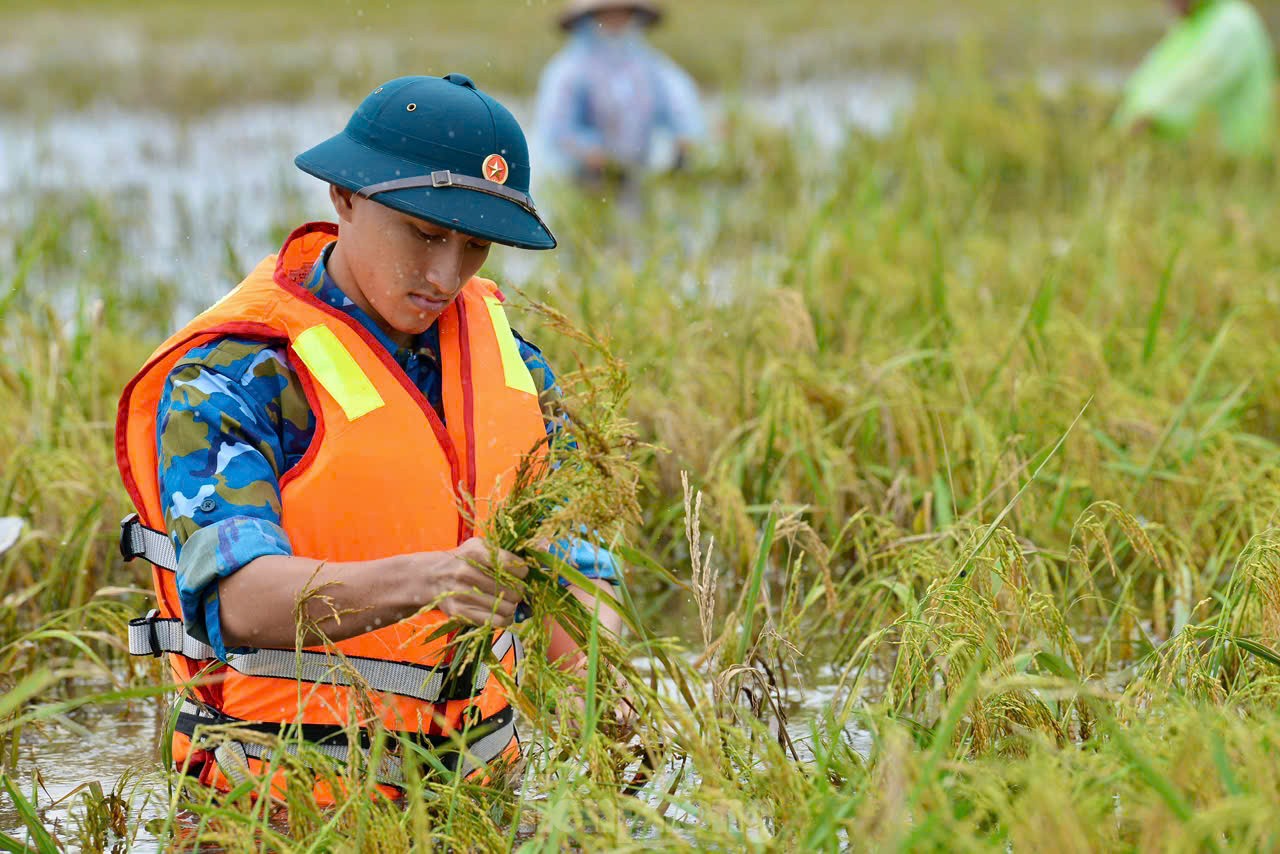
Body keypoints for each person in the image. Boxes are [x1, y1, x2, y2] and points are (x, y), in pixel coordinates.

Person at [116, 73, 621, 802]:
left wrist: (604, 692)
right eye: (424, 233)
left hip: (478, 804)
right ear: (344, 198)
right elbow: (237, 600)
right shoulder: (239, 374)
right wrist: (431, 578)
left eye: (475, 245)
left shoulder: (516, 366)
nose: (446, 274)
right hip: (280, 813)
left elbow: (576, 570)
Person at [534, 0, 706, 183]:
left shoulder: (648, 64)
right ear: (589, 17)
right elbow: (555, 132)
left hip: (637, 176)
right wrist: (590, 152)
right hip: (582, 181)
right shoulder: (567, 71)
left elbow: (682, 109)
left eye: (622, 13)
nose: (615, 20)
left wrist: (685, 139)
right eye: (606, 14)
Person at [1114, 0, 1276, 156]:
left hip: (1235, 161)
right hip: (1186, 157)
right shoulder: (1193, 23)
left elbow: (1194, 83)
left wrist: (1143, 118)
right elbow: (1150, 76)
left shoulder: (1234, 23)